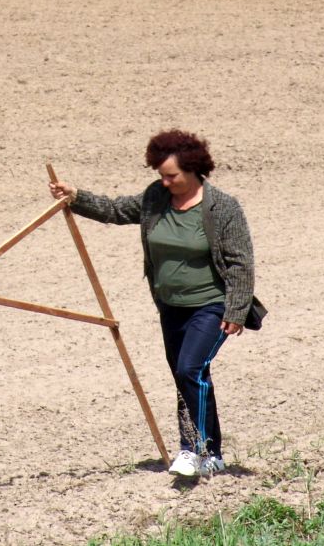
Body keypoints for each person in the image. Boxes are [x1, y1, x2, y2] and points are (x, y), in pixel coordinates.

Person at [49, 129, 264, 477]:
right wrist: (76, 197)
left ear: (193, 169)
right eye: (160, 175)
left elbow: (241, 261)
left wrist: (236, 310)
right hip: (170, 307)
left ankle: (192, 449)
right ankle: (212, 452)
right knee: (190, 377)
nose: (164, 182)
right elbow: (117, 210)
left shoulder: (222, 207)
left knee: (189, 370)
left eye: (171, 176)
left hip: (210, 304)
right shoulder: (156, 199)